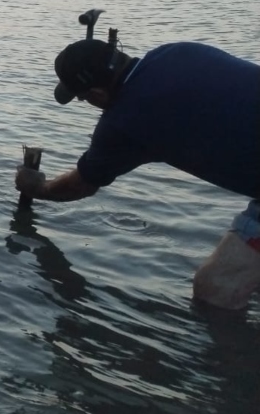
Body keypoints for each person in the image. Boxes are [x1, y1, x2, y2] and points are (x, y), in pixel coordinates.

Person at [15, 38, 260, 310]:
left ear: (96, 94)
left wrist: (38, 187)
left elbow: (79, 186)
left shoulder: (124, 121)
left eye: (83, 98)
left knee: (216, 288)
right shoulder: (176, 51)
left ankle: (233, 353)